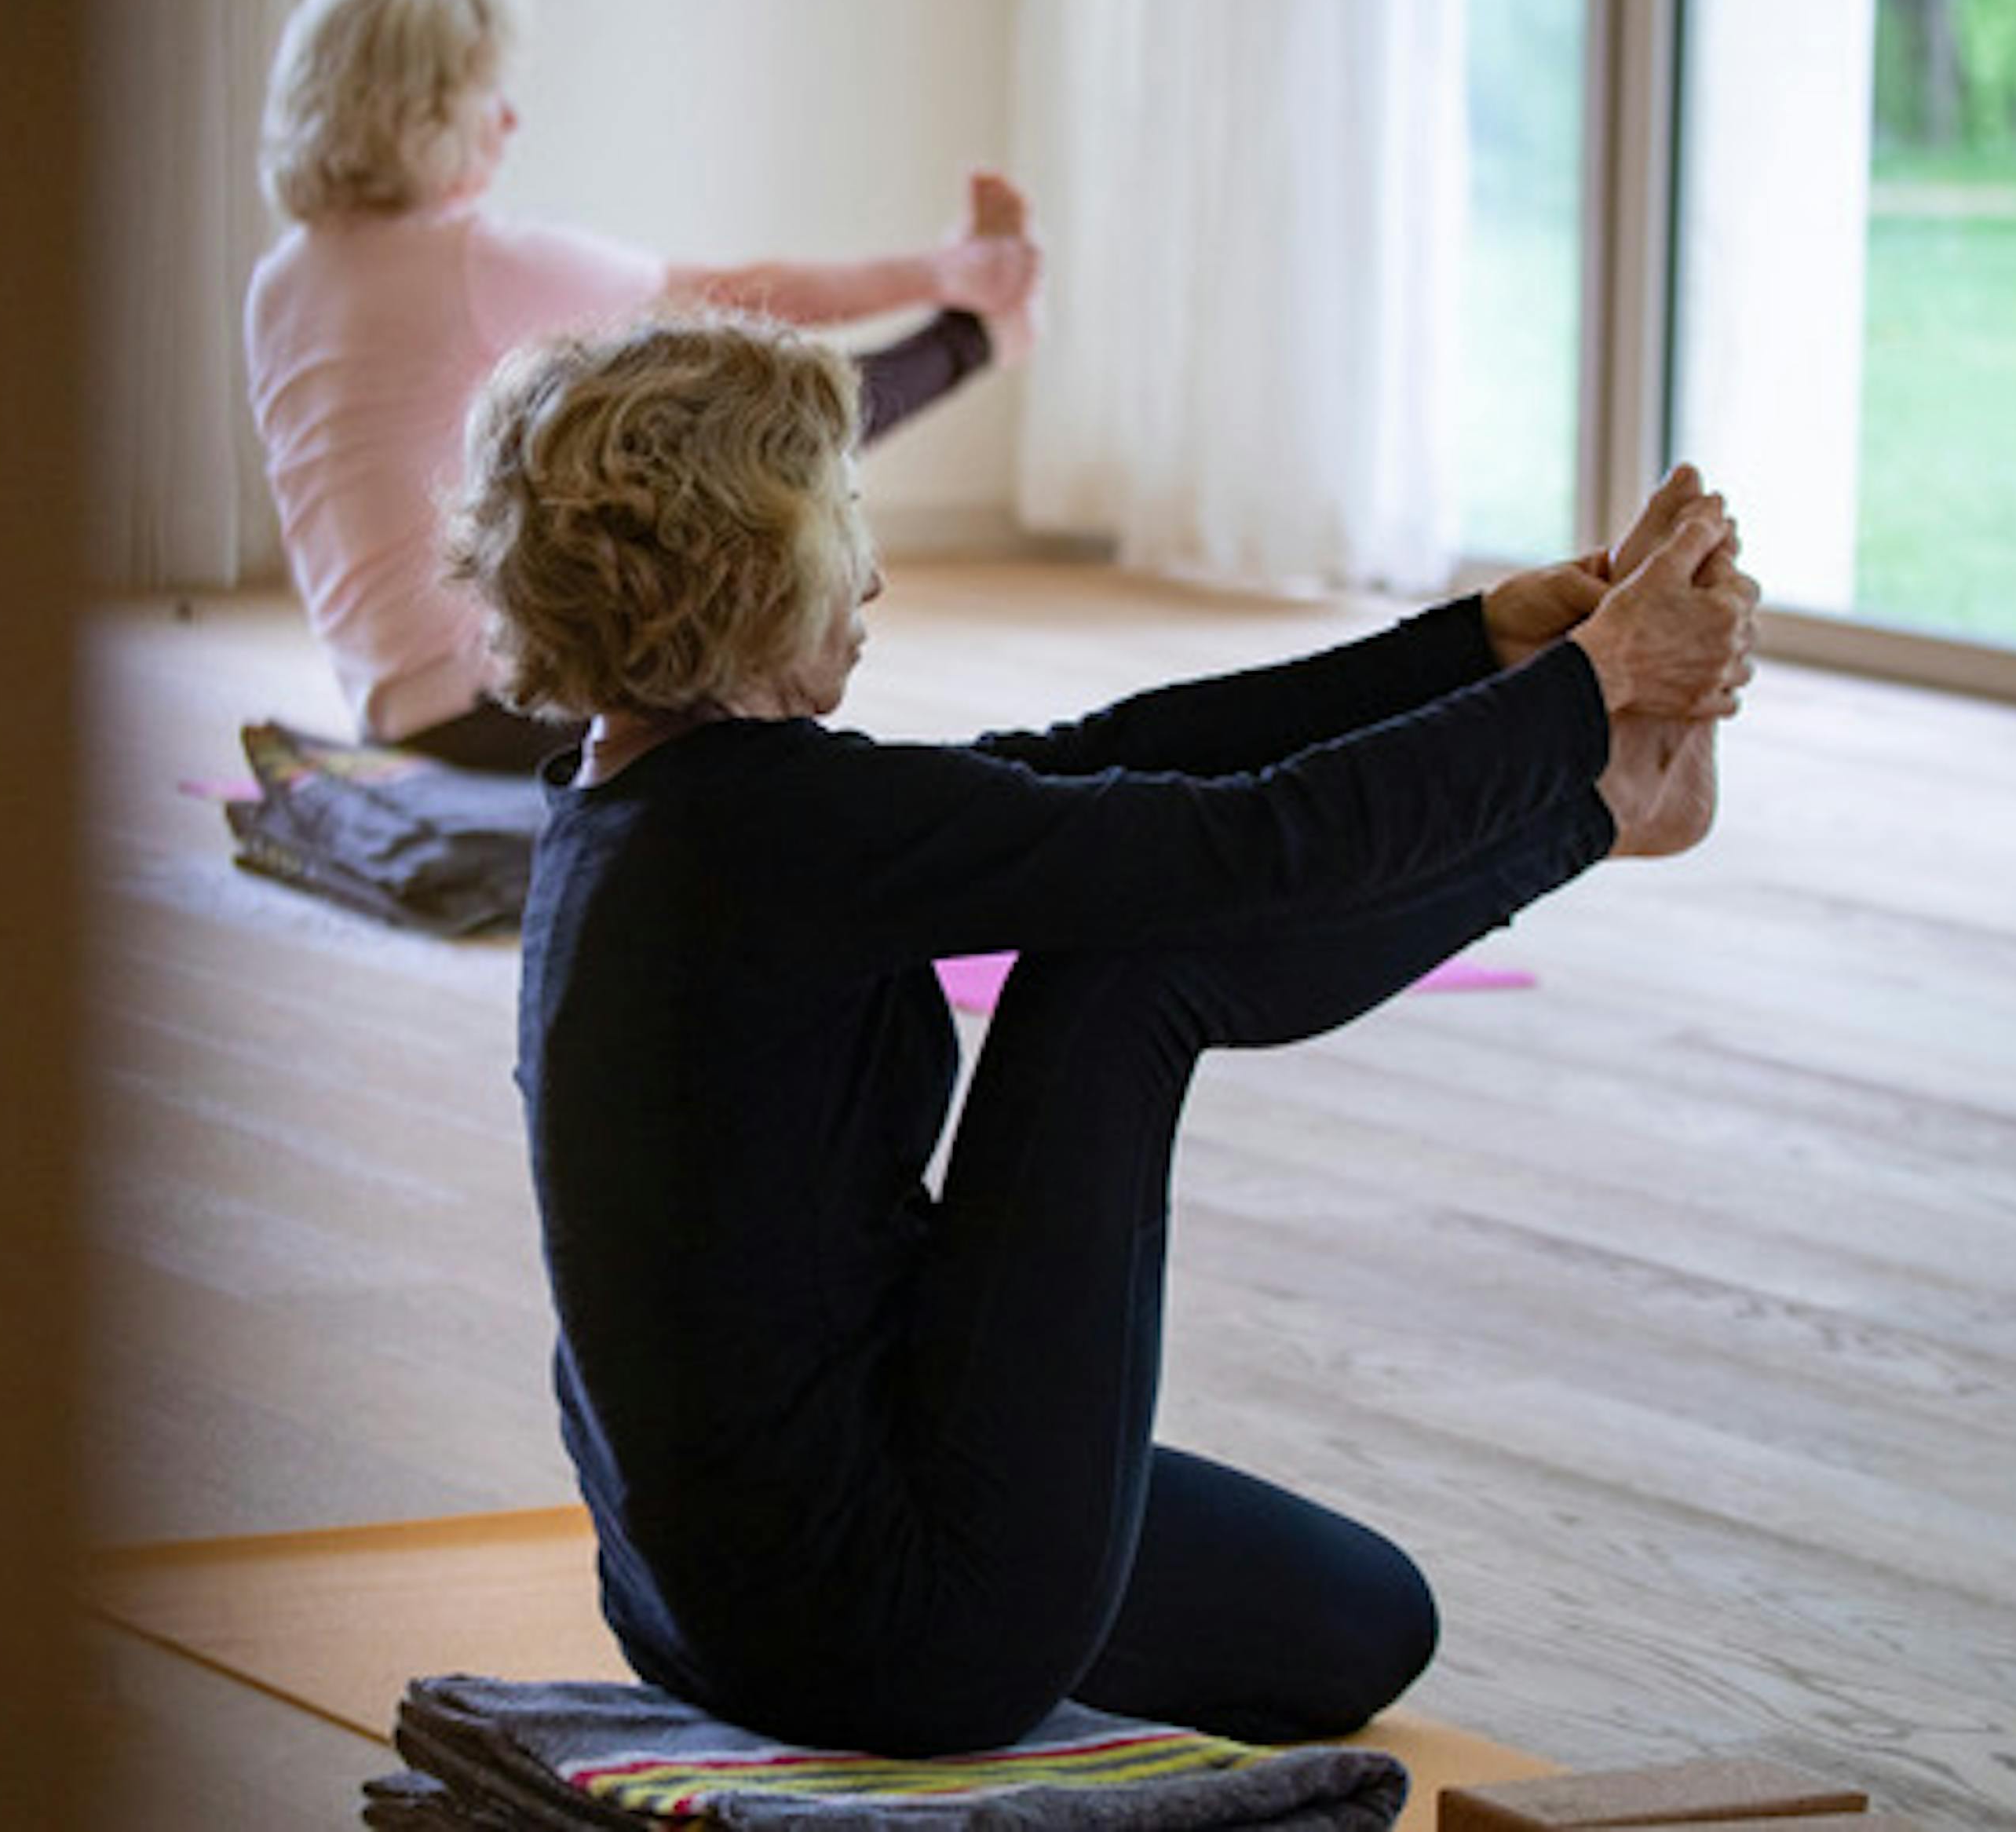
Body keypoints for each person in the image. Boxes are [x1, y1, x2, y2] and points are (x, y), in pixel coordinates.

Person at [447, 311, 1759, 1757]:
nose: (872, 571)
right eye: (844, 521)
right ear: (745, 563)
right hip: (880, 1627)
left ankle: (1599, 803)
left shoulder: (638, 807)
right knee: (1121, 970)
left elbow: (1088, 764)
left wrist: (1475, 646)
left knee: (1368, 1621)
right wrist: (1582, 712)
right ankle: (1616, 810)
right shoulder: (771, 832)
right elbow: (1255, 846)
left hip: (702, 1614)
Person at [246, 0, 1040, 772]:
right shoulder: (469, 262)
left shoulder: (280, 283)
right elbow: (745, 299)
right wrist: (949, 269)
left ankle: (974, 333)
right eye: (490, 93)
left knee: (657, 427)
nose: (512, 120)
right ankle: (978, 335)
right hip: (505, 711)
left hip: (389, 713)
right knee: (749, 434)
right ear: (426, 109)